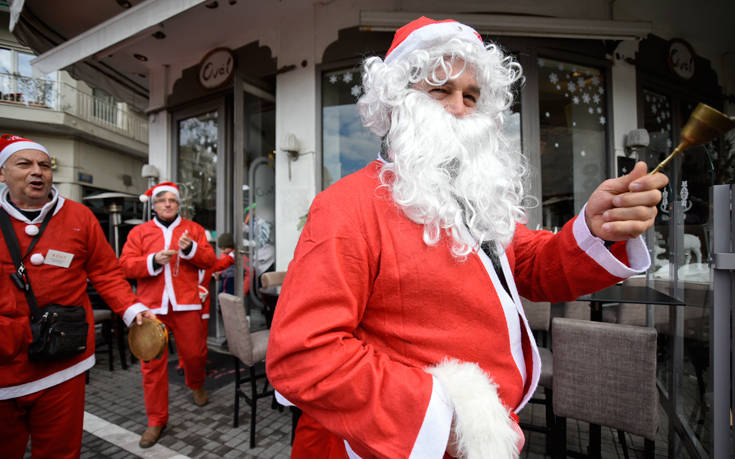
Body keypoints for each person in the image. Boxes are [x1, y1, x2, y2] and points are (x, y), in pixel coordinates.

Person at [266, 17, 669, 459]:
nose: (460, 107)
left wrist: (595, 228)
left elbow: (529, 266)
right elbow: (304, 356)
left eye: (471, 96)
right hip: (389, 444)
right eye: (441, 90)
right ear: (399, 101)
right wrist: (453, 412)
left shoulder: (474, 198)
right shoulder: (346, 206)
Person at [0, 134, 154, 458]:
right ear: (2, 173)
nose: (37, 172)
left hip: (64, 361)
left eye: (44, 165)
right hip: (5, 364)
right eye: (24, 164)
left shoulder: (80, 217)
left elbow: (106, 271)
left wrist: (130, 309)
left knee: (61, 452)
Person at [120, 181, 216, 448]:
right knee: (151, 366)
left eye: (172, 200)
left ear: (178, 204)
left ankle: (195, 383)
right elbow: (125, 266)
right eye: (162, 200)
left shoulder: (193, 230)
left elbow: (209, 260)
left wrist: (189, 250)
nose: (167, 204)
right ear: (155, 205)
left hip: (186, 304)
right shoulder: (140, 233)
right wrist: (152, 261)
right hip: (152, 309)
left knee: (195, 355)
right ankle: (156, 419)